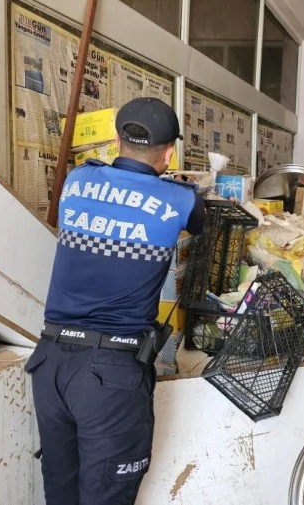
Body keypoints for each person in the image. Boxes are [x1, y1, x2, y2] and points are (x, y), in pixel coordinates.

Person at [25, 97, 206, 505]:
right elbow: (199, 222)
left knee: (61, 492)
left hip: (50, 363)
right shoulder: (181, 200)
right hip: (109, 376)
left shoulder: (76, 180)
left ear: (117, 140)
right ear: (170, 151)